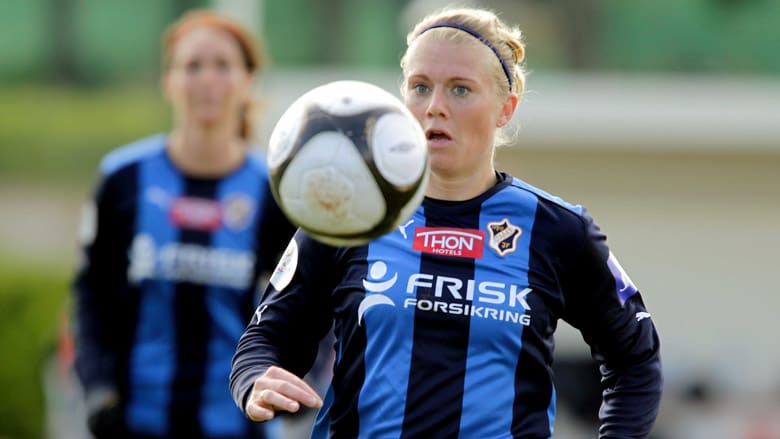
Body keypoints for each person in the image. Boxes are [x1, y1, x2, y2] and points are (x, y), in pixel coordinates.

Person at [230, 6, 662, 439]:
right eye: (420, 87)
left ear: (505, 108)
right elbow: (267, 338)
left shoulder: (559, 230)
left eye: (460, 89)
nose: (435, 107)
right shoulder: (348, 213)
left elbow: (635, 360)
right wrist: (256, 382)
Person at [72, 9, 296, 439]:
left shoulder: (276, 191)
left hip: (239, 424)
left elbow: (304, 304)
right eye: (192, 66)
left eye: (223, 66)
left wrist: (295, 383)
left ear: (248, 80)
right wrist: (98, 388)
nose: (207, 80)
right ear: (169, 80)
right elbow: (91, 295)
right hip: (134, 422)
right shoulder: (123, 178)